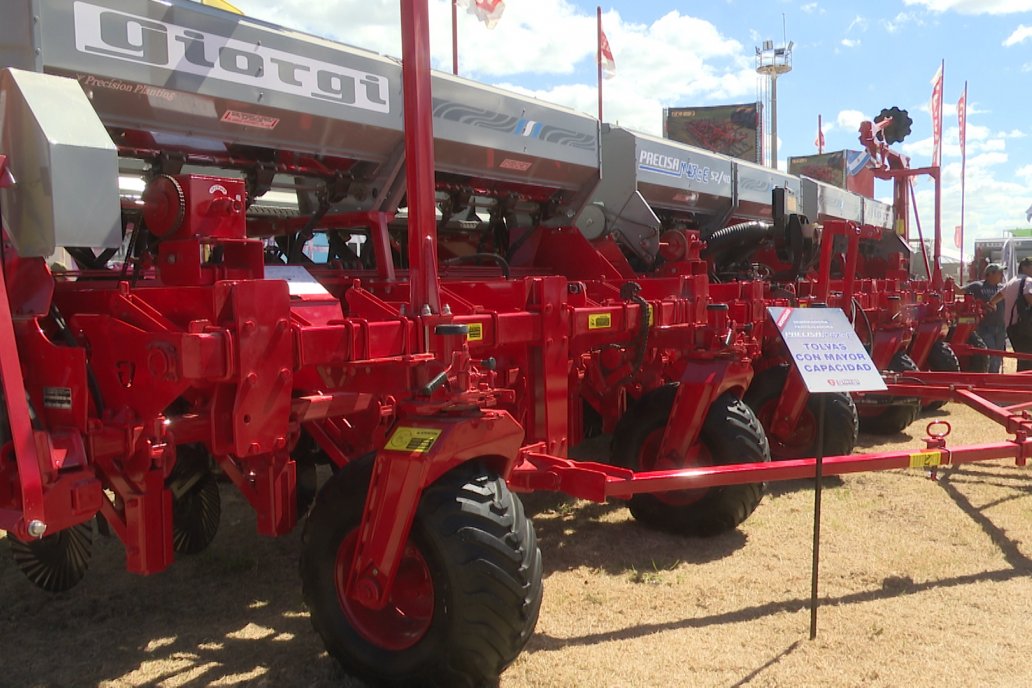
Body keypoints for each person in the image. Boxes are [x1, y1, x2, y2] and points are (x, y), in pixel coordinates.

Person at [988, 256, 1032, 371]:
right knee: (1028, 361)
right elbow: (1029, 297)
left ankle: (1021, 380)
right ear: (1025, 267)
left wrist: (991, 303)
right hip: (1025, 327)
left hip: (1012, 327)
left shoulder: (1012, 282)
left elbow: (998, 295)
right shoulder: (1028, 281)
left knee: (1023, 360)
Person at [964, 263, 1006, 373]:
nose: (1002, 275)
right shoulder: (977, 286)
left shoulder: (1002, 288)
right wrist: (951, 283)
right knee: (991, 354)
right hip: (984, 327)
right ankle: (990, 377)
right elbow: (960, 291)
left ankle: (994, 377)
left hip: (1000, 327)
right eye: (999, 273)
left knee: (998, 355)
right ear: (990, 274)